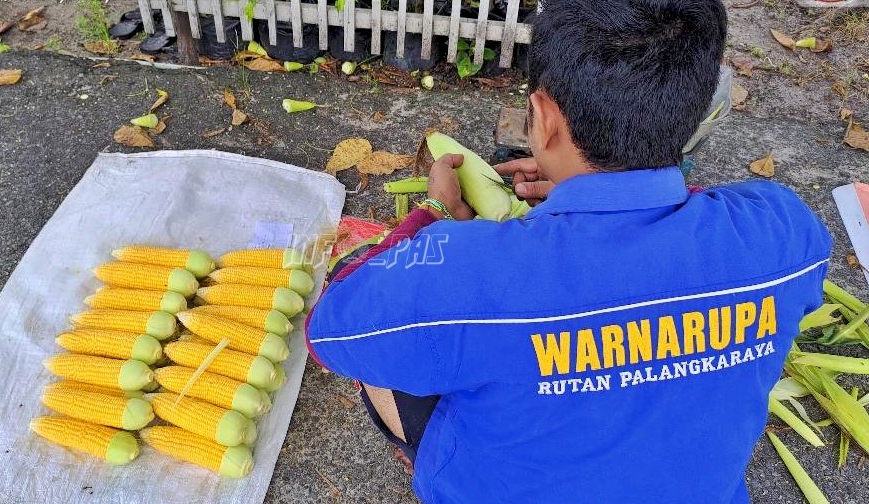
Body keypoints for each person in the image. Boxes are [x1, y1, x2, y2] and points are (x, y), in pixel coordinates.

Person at [305, 0, 833, 502]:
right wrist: (587, 196)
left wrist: (435, 217)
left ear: (545, 115)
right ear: (696, 108)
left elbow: (330, 327)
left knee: (386, 345)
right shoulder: (780, 231)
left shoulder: (470, 270)